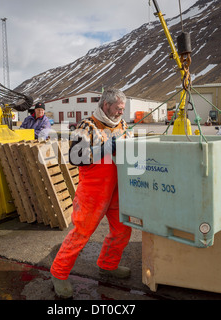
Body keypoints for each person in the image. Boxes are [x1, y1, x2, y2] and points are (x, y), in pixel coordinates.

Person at [50, 88, 133, 299]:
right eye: (118, 109)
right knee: (81, 234)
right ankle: (58, 273)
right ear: (106, 105)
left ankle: (108, 264)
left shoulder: (123, 124)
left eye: (123, 109)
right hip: (92, 192)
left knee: (123, 230)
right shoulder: (85, 126)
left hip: (117, 189)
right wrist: (107, 147)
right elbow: (75, 157)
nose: (121, 113)